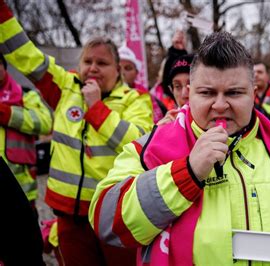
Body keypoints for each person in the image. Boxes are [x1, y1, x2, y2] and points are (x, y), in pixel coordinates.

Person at [89, 32, 270, 265]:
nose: (220, 105)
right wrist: (186, 173)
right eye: (207, 93)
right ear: (190, 93)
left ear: (253, 94)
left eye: (234, 92)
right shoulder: (152, 147)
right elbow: (106, 220)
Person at [0, 1, 154, 265]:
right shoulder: (65, 87)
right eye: (88, 61)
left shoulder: (135, 99)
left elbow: (139, 143)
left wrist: (96, 109)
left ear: (117, 69)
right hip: (69, 218)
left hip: (115, 216)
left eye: (102, 63)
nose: (93, 68)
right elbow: (24, 54)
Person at [0, 53, 52, 208]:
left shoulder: (25, 94)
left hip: (22, 185)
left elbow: (45, 122)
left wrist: (9, 115)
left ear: (4, 66)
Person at [119, 45, 166, 123]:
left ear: (136, 72)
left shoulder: (146, 96)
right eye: (119, 68)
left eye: (128, 68)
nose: (122, 72)